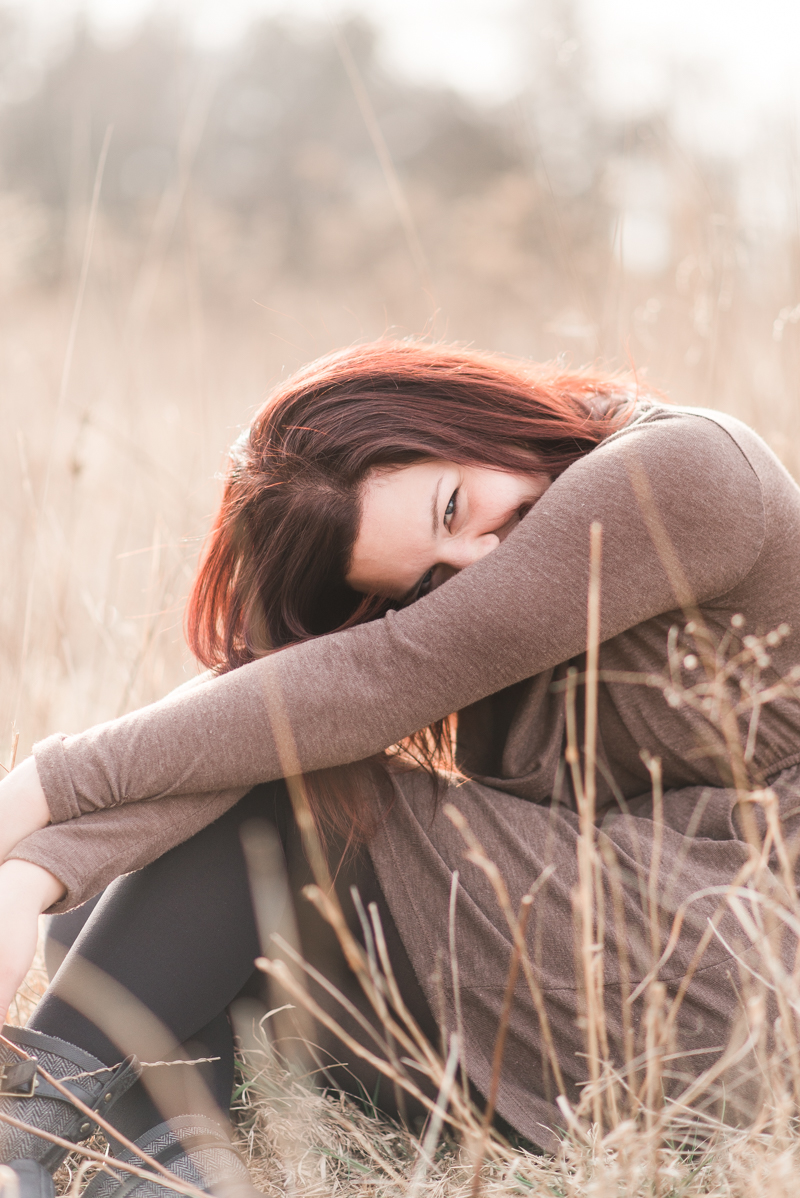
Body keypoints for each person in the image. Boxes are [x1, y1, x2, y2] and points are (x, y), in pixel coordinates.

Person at [2, 340, 800, 1195]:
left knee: (252, 833)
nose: (476, 563)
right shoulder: (479, 565)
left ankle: (22, 1134)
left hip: (732, 978)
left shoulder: (691, 471)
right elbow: (282, 702)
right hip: (580, 976)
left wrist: (34, 804)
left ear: (460, 411)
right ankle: (167, 1175)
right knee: (111, 921)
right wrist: (44, 870)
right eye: (426, 584)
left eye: (454, 505)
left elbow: (379, 673)